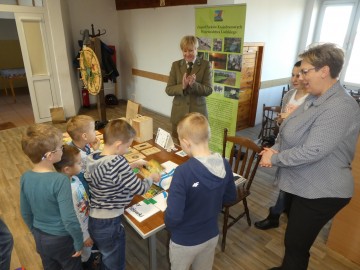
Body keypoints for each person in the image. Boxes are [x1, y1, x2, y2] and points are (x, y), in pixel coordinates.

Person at [260, 43, 360, 270]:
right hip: (304, 182)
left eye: (305, 72)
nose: (301, 77)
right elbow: (290, 131)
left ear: (324, 71)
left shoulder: (340, 106)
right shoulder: (315, 99)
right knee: (294, 241)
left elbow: (313, 150)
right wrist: (275, 147)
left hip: (322, 190)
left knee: (296, 244)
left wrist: (274, 158)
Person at [84, 119, 160, 270]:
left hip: (95, 219)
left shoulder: (95, 157)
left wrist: (133, 164)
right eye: (128, 146)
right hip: (110, 223)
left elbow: (107, 171)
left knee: (107, 257)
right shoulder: (118, 162)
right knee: (115, 263)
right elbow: (139, 189)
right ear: (119, 145)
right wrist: (151, 178)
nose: (128, 149)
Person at [164, 112, 237, 270]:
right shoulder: (224, 164)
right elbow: (231, 197)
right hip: (210, 235)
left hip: (184, 241)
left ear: (185, 142)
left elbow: (173, 217)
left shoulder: (183, 172)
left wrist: (169, 224)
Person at [20, 124, 83, 270]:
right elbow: (69, 219)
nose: (63, 149)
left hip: (41, 238)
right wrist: (78, 241)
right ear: (50, 156)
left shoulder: (25, 177)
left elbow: (25, 212)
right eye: (61, 147)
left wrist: (36, 232)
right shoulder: (60, 180)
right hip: (61, 240)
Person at [255, 60, 309, 230]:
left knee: (289, 183)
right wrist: (280, 120)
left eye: (299, 75)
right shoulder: (288, 95)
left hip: (299, 147)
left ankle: (276, 215)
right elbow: (280, 123)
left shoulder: (312, 100)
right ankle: (282, 211)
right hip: (283, 144)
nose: (294, 79)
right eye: (293, 74)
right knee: (285, 182)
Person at [54, 145, 99, 270]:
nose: (82, 165)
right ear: (67, 169)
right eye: (79, 163)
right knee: (84, 255)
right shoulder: (68, 191)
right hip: (80, 232)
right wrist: (85, 236)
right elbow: (74, 217)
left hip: (85, 221)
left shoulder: (74, 178)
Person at [165, 35, 213, 139]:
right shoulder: (176, 65)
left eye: (191, 50)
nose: (187, 54)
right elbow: (168, 90)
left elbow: (209, 90)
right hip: (179, 115)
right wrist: (182, 86)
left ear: (196, 49)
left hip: (197, 116)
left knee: (197, 144)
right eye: (184, 51)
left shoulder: (206, 65)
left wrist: (194, 85)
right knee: (178, 147)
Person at [66, 115, 100, 197]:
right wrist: (96, 151)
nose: (95, 132)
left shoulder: (78, 144)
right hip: (85, 190)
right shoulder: (80, 155)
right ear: (85, 136)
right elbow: (97, 167)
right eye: (93, 130)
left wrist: (93, 150)